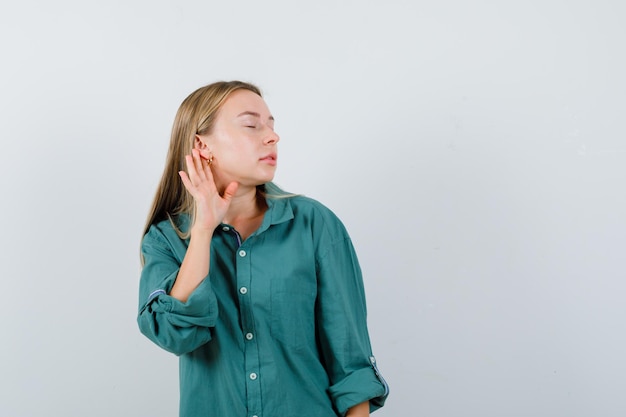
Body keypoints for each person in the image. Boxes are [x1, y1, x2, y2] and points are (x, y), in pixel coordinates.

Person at [137, 80, 389, 417]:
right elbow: (175, 335)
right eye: (251, 125)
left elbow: (350, 362)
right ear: (202, 145)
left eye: (271, 125)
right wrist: (203, 231)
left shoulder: (315, 224)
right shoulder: (166, 239)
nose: (272, 136)